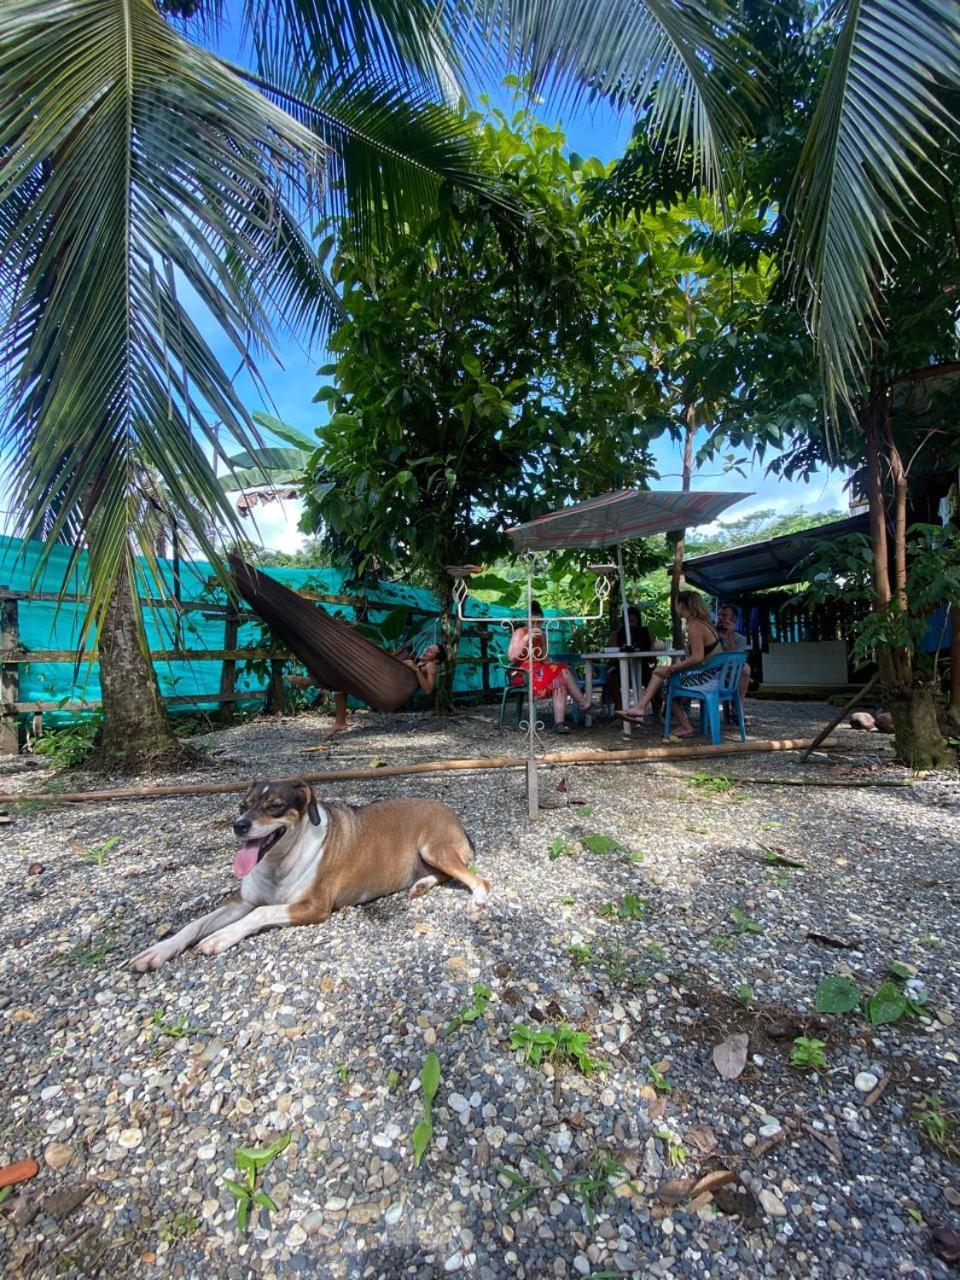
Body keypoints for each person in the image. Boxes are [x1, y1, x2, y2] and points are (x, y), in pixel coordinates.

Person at [614, 589, 722, 737]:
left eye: (676, 604)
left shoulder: (695, 625)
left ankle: (684, 726)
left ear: (682, 605)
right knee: (661, 670)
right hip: (716, 674)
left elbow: (697, 657)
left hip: (709, 678)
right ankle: (640, 707)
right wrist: (671, 669)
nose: (675, 607)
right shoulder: (705, 623)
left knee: (667, 684)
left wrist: (672, 669)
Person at [291, 642, 448, 737]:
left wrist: (415, 670)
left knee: (345, 679)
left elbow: (428, 690)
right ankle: (339, 721)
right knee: (342, 681)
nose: (427, 650)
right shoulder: (419, 661)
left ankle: (308, 682)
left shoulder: (430, 666)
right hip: (387, 684)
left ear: (436, 658)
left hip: (393, 692)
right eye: (429, 648)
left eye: (431, 651)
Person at [508, 600, 592, 734]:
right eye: (533, 622)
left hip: (538, 670)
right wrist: (526, 639)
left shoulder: (542, 635)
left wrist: (549, 664)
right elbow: (512, 657)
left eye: (539, 622)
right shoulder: (520, 632)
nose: (536, 625)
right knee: (560, 671)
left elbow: (543, 658)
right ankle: (583, 703)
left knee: (559, 675)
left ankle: (560, 723)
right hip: (522, 672)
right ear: (526, 621)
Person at [605, 605, 656, 712]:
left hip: (642, 668)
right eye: (628, 621)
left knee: (655, 678)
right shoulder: (618, 634)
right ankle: (620, 708)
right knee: (611, 676)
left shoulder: (644, 633)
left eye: (633, 620)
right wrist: (618, 647)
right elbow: (612, 654)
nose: (631, 623)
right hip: (622, 669)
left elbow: (652, 654)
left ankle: (657, 711)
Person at [717, 604, 751, 704]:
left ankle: (738, 707)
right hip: (713, 670)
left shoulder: (740, 639)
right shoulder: (712, 632)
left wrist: (729, 635)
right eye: (719, 615)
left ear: (734, 618)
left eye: (724, 615)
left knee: (745, 668)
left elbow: (735, 658)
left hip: (729, 673)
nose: (720, 618)